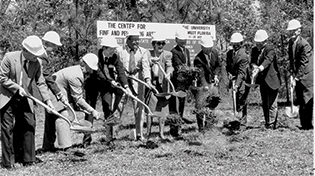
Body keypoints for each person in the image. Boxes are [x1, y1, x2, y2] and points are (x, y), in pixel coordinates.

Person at [0, 35, 54, 168]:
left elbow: (41, 82)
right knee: (7, 128)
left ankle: (28, 158)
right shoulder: (9, 57)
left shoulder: (37, 63)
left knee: (29, 123)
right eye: (35, 54)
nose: (37, 57)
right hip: (7, 95)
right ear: (26, 51)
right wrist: (17, 88)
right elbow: (2, 78)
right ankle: (8, 163)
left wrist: (48, 101)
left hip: (25, 96)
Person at [43, 53, 101, 151]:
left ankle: (47, 146)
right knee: (63, 117)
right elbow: (78, 98)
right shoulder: (76, 76)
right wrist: (92, 111)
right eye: (90, 68)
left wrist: (82, 109)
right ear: (85, 64)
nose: (91, 71)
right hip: (54, 93)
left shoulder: (75, 70)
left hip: (51, 92)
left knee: (51, 119)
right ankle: (66, 147)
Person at [83, 36, 131, 147]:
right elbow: (98, 72)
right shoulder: (95, 56)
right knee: (90, 110)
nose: (113, 51)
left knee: (108, 109)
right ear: (104, 48)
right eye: (111, 49)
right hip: (92, 84)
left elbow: (120, 71)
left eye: (114, 49)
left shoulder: (114, 56)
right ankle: (86, 140)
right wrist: (110, 80)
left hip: (106, 86)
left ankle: (109, 138)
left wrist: (126, 86)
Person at [116, 29, 152, 141]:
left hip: (137, 83)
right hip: (122, 82)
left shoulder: (143, 52)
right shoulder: (119, 51)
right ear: (128, 40)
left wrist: (148, 80)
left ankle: (139, 134)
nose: (136, 42)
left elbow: (146, 67)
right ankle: (113, 134)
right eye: (134, 40)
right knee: (118, 107)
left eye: (138, 40)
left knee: (139, 109)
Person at [41, 31, 69, 152]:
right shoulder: (42, 57)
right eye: (54, 46)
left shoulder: (44, 56)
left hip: (43, 88)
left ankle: (47, 145)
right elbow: (47, 77)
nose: (56, 48)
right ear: (47, 43)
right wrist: (58, 93)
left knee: (50, 115)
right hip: (36, 89)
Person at [146, 32, 174, 140]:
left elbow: (170, 66)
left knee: (162, 110)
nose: (161, 46)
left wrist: (168, 73)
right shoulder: (148, 54)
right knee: (150, 110)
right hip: (151, 85)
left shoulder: (167, 54)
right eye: (159, 43)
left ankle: (161, 133)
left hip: (163, 85)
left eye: (163, 43)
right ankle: (148, 133)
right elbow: (144, 65)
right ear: (154, 44)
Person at [251, 30, 281, 129]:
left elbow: (267, 60)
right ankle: (267, 122)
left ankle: (272, 125)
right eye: (257, 43)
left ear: (265, 41)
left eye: (261, 42)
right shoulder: (254, 50)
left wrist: (259, 68)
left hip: (272, 80)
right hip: (262, 80)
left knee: (272, 104)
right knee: (265, 103)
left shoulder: (270, 49)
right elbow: (253, 61)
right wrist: (255, 67)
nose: (258, 44)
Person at [286, 19, 313, 130]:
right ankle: (303, 124)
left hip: (307, 77)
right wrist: (292, 73)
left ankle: (308, 126)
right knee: (300, 100)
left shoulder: (304, 44)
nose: (292, 32)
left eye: (294, 30)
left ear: (299, 31)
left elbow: (303, 62)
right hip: (297, 75)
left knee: (307, 101)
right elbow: (292, 60)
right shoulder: (291, 43)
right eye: (290, 30)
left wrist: (296, 77)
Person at [194, 35, 221, 132]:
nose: (209, 50)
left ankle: (209, 126)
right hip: (203, 85)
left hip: (213, 83)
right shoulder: (198, 59)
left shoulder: (214, 53)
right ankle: (201, 128)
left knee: (212, 104)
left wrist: (216, 76)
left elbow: (218, 66)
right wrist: (205, 86)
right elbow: (201, 75)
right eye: (207, 48)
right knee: (201, 106)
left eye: (210, 48)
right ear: (202, 47)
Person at [226, 33, 250, 130]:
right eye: (233, 43)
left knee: (242, 100)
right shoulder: (229, 53)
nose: (235, 45)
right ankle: (236, 122)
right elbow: (228, 67)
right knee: (235, 100)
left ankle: (243, 124)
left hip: (243, 80)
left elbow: (241, 72)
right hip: (233, 79)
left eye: (237, 44)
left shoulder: (243, 55)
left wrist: (237, 84)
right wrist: (229, 74)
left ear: (241, 43)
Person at [169, 27, 192, 124]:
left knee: (182, 99)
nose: (183, 41)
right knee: (175, 99)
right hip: (177, 80)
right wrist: (187, 70)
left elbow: (188, 64)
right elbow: (179, 65)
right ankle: (175, 118)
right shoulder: (174, 51)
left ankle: (181, 116)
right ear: (176, 40)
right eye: (181, 40)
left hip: (185, 80)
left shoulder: (186, 51)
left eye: (184, 40)